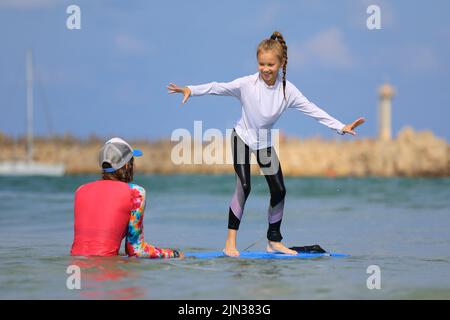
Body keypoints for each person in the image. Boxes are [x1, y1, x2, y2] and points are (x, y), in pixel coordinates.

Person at [167, 31, 365, 257]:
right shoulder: (246, 84)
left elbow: (313, 110)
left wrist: (341, 127)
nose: (265, 69)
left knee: (279, 190)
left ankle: (274, 241)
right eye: (261, 64)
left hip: (264, 144)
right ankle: (230, 243)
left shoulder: (287, 91)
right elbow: (217, 86)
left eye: (270, 64)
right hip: (241, 137)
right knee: (244, 186)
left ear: (281, 63)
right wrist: (190, 90)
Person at [70, 137, 182, 259]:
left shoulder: (80, 190)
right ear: (127, 165)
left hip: (77, 267)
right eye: (133, 162)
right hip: (107, 271)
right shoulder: (135, 193)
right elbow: (136, 250)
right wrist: (174, 254)